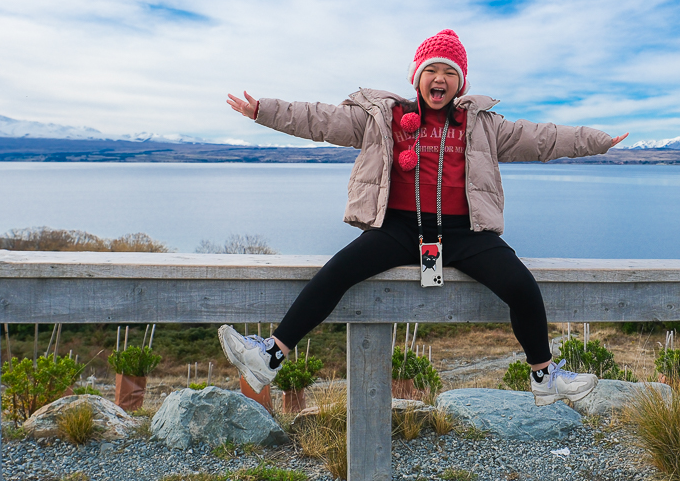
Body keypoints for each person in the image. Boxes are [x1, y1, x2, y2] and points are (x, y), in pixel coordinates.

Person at [217, 29, 628, 406]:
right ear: (417, 77)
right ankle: (270, 355)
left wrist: (598, 141)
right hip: (398, 228)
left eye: (449, 72)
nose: (440, 78)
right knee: (337, 272)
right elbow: (319, 119)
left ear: (460, 83)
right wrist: (261, 110)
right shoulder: (384, 118)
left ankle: (543, 376)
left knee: (521, 284)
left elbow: (544, 138)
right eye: (431, 69)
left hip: (465, 234)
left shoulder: (483, 125)